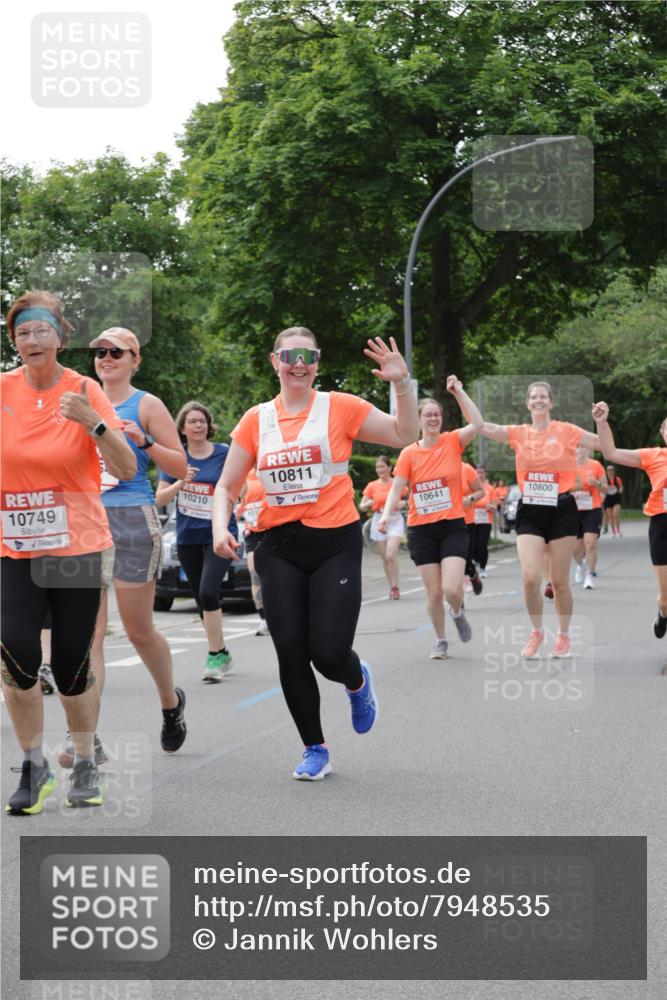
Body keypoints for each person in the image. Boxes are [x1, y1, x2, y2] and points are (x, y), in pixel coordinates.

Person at [212, 328, 419, 781]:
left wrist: (400, 383)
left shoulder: (340, 407)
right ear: (275, 361)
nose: (299, 363)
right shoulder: (256, 419)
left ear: (318, 362)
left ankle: (356, 679)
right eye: (290, 355)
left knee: (327, 653)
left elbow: (407, 432)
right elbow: (226, 487)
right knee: (290, 651)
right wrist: (218, 526)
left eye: (308, 355)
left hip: (334, 542)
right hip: (276, 546)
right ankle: (314, 748)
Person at [1, 291, 135, 813]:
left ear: (60, 335)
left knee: (74, 664)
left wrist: (94, 423)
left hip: (76, 547)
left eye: (40, 331)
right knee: (15, 655)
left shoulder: (84, 389)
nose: (31, 341)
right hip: (14, 548)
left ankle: (82, 762)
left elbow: (126, 470)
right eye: (21, 334)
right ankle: (33, 765)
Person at [77, 327, 188, 765]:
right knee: (90, 638)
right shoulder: (80, 400)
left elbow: (181, 465)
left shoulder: (146, 404)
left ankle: (170, 702)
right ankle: (85, 739)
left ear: (135, 359)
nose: (106, 358)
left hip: (132, 519)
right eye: (99, 351)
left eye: (116, 351)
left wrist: (143, 440)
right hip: (85, 523)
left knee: (139, 631)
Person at [480, 381, 600, 659]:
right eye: (533, 396)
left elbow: (604, 445)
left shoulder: (567, 431)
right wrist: (459, 393)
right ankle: (536, 632)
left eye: (543, 396)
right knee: (531, 578)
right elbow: (482, 426)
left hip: (562, 508)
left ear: (551, 402)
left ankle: (564, 635)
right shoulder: (519, 433)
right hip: (531, 509)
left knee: (559, 582)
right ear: (527, 403)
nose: (538, 400)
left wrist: (601, 423)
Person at [379, 388, 484, 659]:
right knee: (434, 592)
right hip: (421, 529)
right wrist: (385, 514)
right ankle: (441, 640)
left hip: (451, 525)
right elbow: (396, 488)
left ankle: (458, 611)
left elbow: (478, 423)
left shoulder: (452, 442)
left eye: (437, 414)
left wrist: (459, 392)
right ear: (419, 419)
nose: (433, 418)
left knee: (452, 589)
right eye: (428, 415)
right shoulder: (408, 455)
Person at [156, 400, 238, 681]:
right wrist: (181, 482)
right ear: (182, 428)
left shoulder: (224, 454)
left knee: (207, 591)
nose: (198, 426)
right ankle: (221, 650)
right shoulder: (176, 459)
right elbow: (160, 498)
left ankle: (214, 656)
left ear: (208, 425)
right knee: (202, 599)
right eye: (192, 421)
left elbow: (240, 484)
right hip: (188, 537)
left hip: (220, 534)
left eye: (202, 421)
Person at [593, 405, 667, 638]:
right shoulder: (652, 455)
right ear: (663, 433)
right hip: (661, 525)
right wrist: (602, 423)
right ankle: (663, 611)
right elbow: (611, 453)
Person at [359, 455, 407, 599]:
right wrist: (366, 505)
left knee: (391, 554)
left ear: (389, 468)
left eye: (382, 467)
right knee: (385, 558)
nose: (380, 470)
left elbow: (409, 499)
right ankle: (392, 586)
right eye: (378, 467)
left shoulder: (397, 484)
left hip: (394, 519)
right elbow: (361, 506)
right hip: (378, 520)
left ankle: (396, 585)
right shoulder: (372, 486)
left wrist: (403, 504)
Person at [236, 469, 269, 635]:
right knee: (255, 576)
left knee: (276, 575)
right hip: (252, 534)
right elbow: (238, 506)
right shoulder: (243, 476)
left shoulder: (267, 469)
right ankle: (264, 619)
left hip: (271, 529)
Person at [572, 445, 607, 589]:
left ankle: (589, 576)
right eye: (577, 447)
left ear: (588, 450)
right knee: (575, 547)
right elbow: (561, 488)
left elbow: (606, 488)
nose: (580, 450)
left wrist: (597, 483)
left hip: (593, 508)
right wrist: (574, 491)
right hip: (573, 510)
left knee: (590, 543)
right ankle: (581, 565)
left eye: (583, 447)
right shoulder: (568, 466)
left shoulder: (596, 465)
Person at [461, 462, 485, 595]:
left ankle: (472, 575)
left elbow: (481, 492)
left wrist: (470, 498)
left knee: (465, 559)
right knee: (452, 561)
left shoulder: (466, 468)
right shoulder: (434, 468)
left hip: (466, 522)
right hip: (445, 522)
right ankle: (459, 600)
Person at [469, 464, 496, 578]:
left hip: (485, 519)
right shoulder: (471, 487)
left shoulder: (490, 488)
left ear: (485, 474)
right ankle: (475, 561)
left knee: (482, 544)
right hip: (472, 519)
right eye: (477, 472)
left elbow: (494, 505)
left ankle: (483, 568)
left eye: (482, 472)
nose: (479, 475)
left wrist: (491, 506)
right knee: (472, 544)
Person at [602, 464, 624, 537]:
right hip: (608, 498)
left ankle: (618, 530)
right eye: (609, 470)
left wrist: (620, 490)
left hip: (616, 498)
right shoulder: (604, 480)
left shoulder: (617, 479)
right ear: (607, 471)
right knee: (610, 516)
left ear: (613, 471)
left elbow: (621, 487)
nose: (610, 472)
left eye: (611, 470)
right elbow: (602, 489)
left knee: (615, 514)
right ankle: (613, 532)